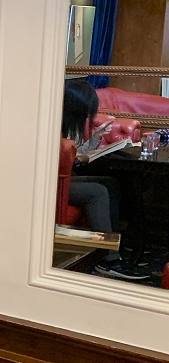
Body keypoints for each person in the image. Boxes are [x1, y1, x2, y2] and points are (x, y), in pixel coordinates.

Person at [61, 79, 144, 280]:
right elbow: (60, 162)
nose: (88, 117)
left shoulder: (69, 125)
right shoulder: (52, 124)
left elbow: (74, 153)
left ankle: (111, 246)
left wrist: (95, 139)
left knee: (111, 183)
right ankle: (108, 260)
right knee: (97, 192)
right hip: (51, 184)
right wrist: (78, 159)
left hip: (65, 178)